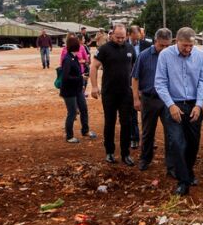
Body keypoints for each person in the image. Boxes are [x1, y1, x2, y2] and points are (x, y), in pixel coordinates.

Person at [155, 27, 203, 196]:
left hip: (194, 105)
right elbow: (160, 82)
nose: (187, 49)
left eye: (190, 46)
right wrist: (171, 105)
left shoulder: (200, 56)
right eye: (184, 45)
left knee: (193, 143)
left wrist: (199, 104)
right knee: (178, 143)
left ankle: (189, 170)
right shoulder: (165, 56)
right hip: (174, 105)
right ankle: (183, 181)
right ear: (176, 41)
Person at [90, 24, 137, 166]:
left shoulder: (130, 48)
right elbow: (94, 67)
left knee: (126, 123)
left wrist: (137, 90)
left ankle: (125, 153)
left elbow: (135, 69)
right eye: (118, 37)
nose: (120, 40)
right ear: (111, 35)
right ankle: (109, 152)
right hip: (109, 93)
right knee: (109, 123)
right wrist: (94, 86)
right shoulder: (104, 49)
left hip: (126, 92)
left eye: (123, 37)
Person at [132, 28, 173, 171]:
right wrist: (136, 99)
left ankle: (171, 163)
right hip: (149, 99)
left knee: (170, 132)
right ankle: (145, 159)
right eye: (161, 45)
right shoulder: (144, 56)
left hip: (168, 100)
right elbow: (135, 77)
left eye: (167, 45)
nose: (164, 49)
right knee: (148, 131)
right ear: (155, 41)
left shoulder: (173, 56)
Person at [60, 35, 97, 143]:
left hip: (77, 89)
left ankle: (85, 130)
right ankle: (69, 136)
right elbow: (66, 77)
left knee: (84, 109)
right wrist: (80, 78)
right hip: (69, 91)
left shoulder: (74, 57)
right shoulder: (67, 59)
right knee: (72, 113)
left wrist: (81, 80)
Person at [128, 25, 152, 149]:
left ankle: (148, 140)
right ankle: (134, 138)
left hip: (145, 82)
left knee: (147, 114)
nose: (139, 36)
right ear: (130, 34)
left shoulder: (147, 45)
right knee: (132, 112)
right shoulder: (125, 46)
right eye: (137, 34)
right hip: (130, 82)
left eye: (140, 34)